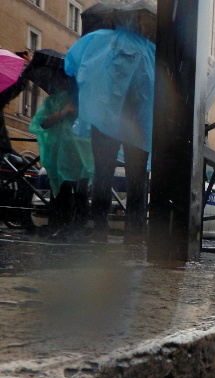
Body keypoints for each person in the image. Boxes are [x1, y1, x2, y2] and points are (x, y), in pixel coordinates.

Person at [65, 28, 154, 243]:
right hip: (136, 120)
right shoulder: (149, 51)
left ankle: (101, 228)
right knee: (137, 178)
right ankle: (134, 231)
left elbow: (81, 71)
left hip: (106, 118)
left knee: (103, 174)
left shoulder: (103, 42)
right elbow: (151, 88)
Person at [28, 73, 93, 239]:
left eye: (65, 78)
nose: (61, 81)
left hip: (80, 155)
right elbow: (42, 122)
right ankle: (62, 227)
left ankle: (78, 228)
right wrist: (64, 112)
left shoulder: (82, 98)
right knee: (62, 192)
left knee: (81, 192)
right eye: (58, 78)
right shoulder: (51, 101)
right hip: (59, 154)